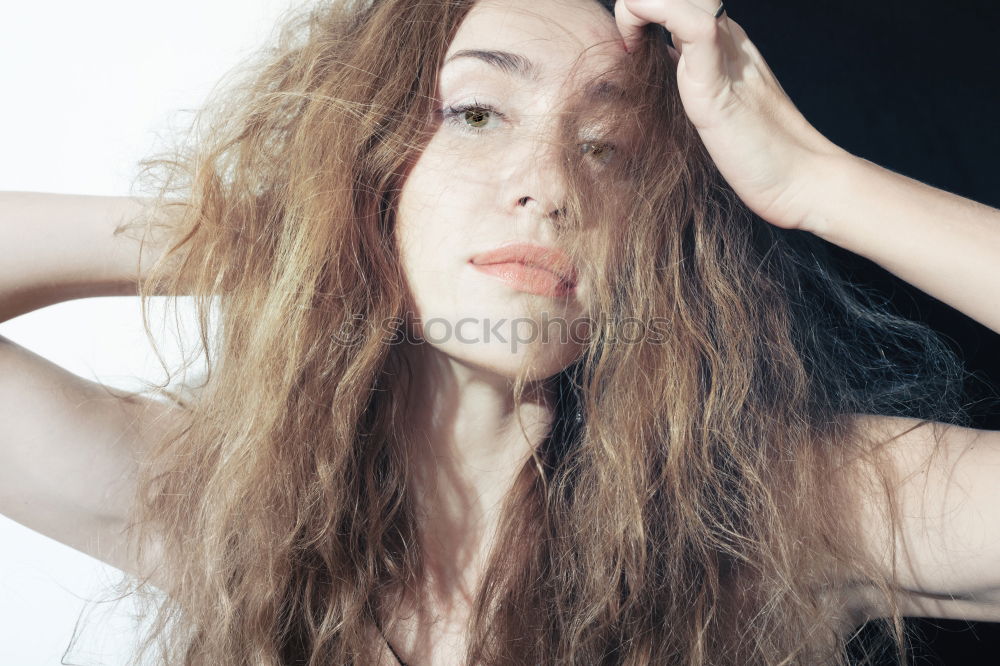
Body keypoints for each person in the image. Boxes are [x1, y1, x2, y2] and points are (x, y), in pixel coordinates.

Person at [1, 0, 998, 664]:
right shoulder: (218, 508)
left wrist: (813, 181)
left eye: (609, 147)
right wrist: (295, 240)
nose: (551, 185)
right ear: (368, 161)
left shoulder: (761, 518)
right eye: (477, 113)